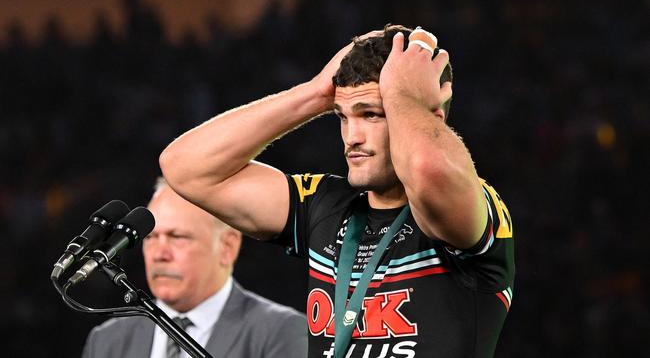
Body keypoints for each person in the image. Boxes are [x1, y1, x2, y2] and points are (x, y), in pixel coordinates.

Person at [159, 24, 514, 358]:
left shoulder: (474, 206)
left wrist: (403, 96)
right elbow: (185, 167)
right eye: (343, 116)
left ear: (429, 115)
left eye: (372, 114)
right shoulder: (327, 203)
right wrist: (315, 93)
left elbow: (428, 169)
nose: (352, 137)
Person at [82, 178, 308, 358]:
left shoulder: (281, 332)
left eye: (177, 237)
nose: (159, 254)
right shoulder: (107, 341)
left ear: (227, 246)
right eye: (150, 238)